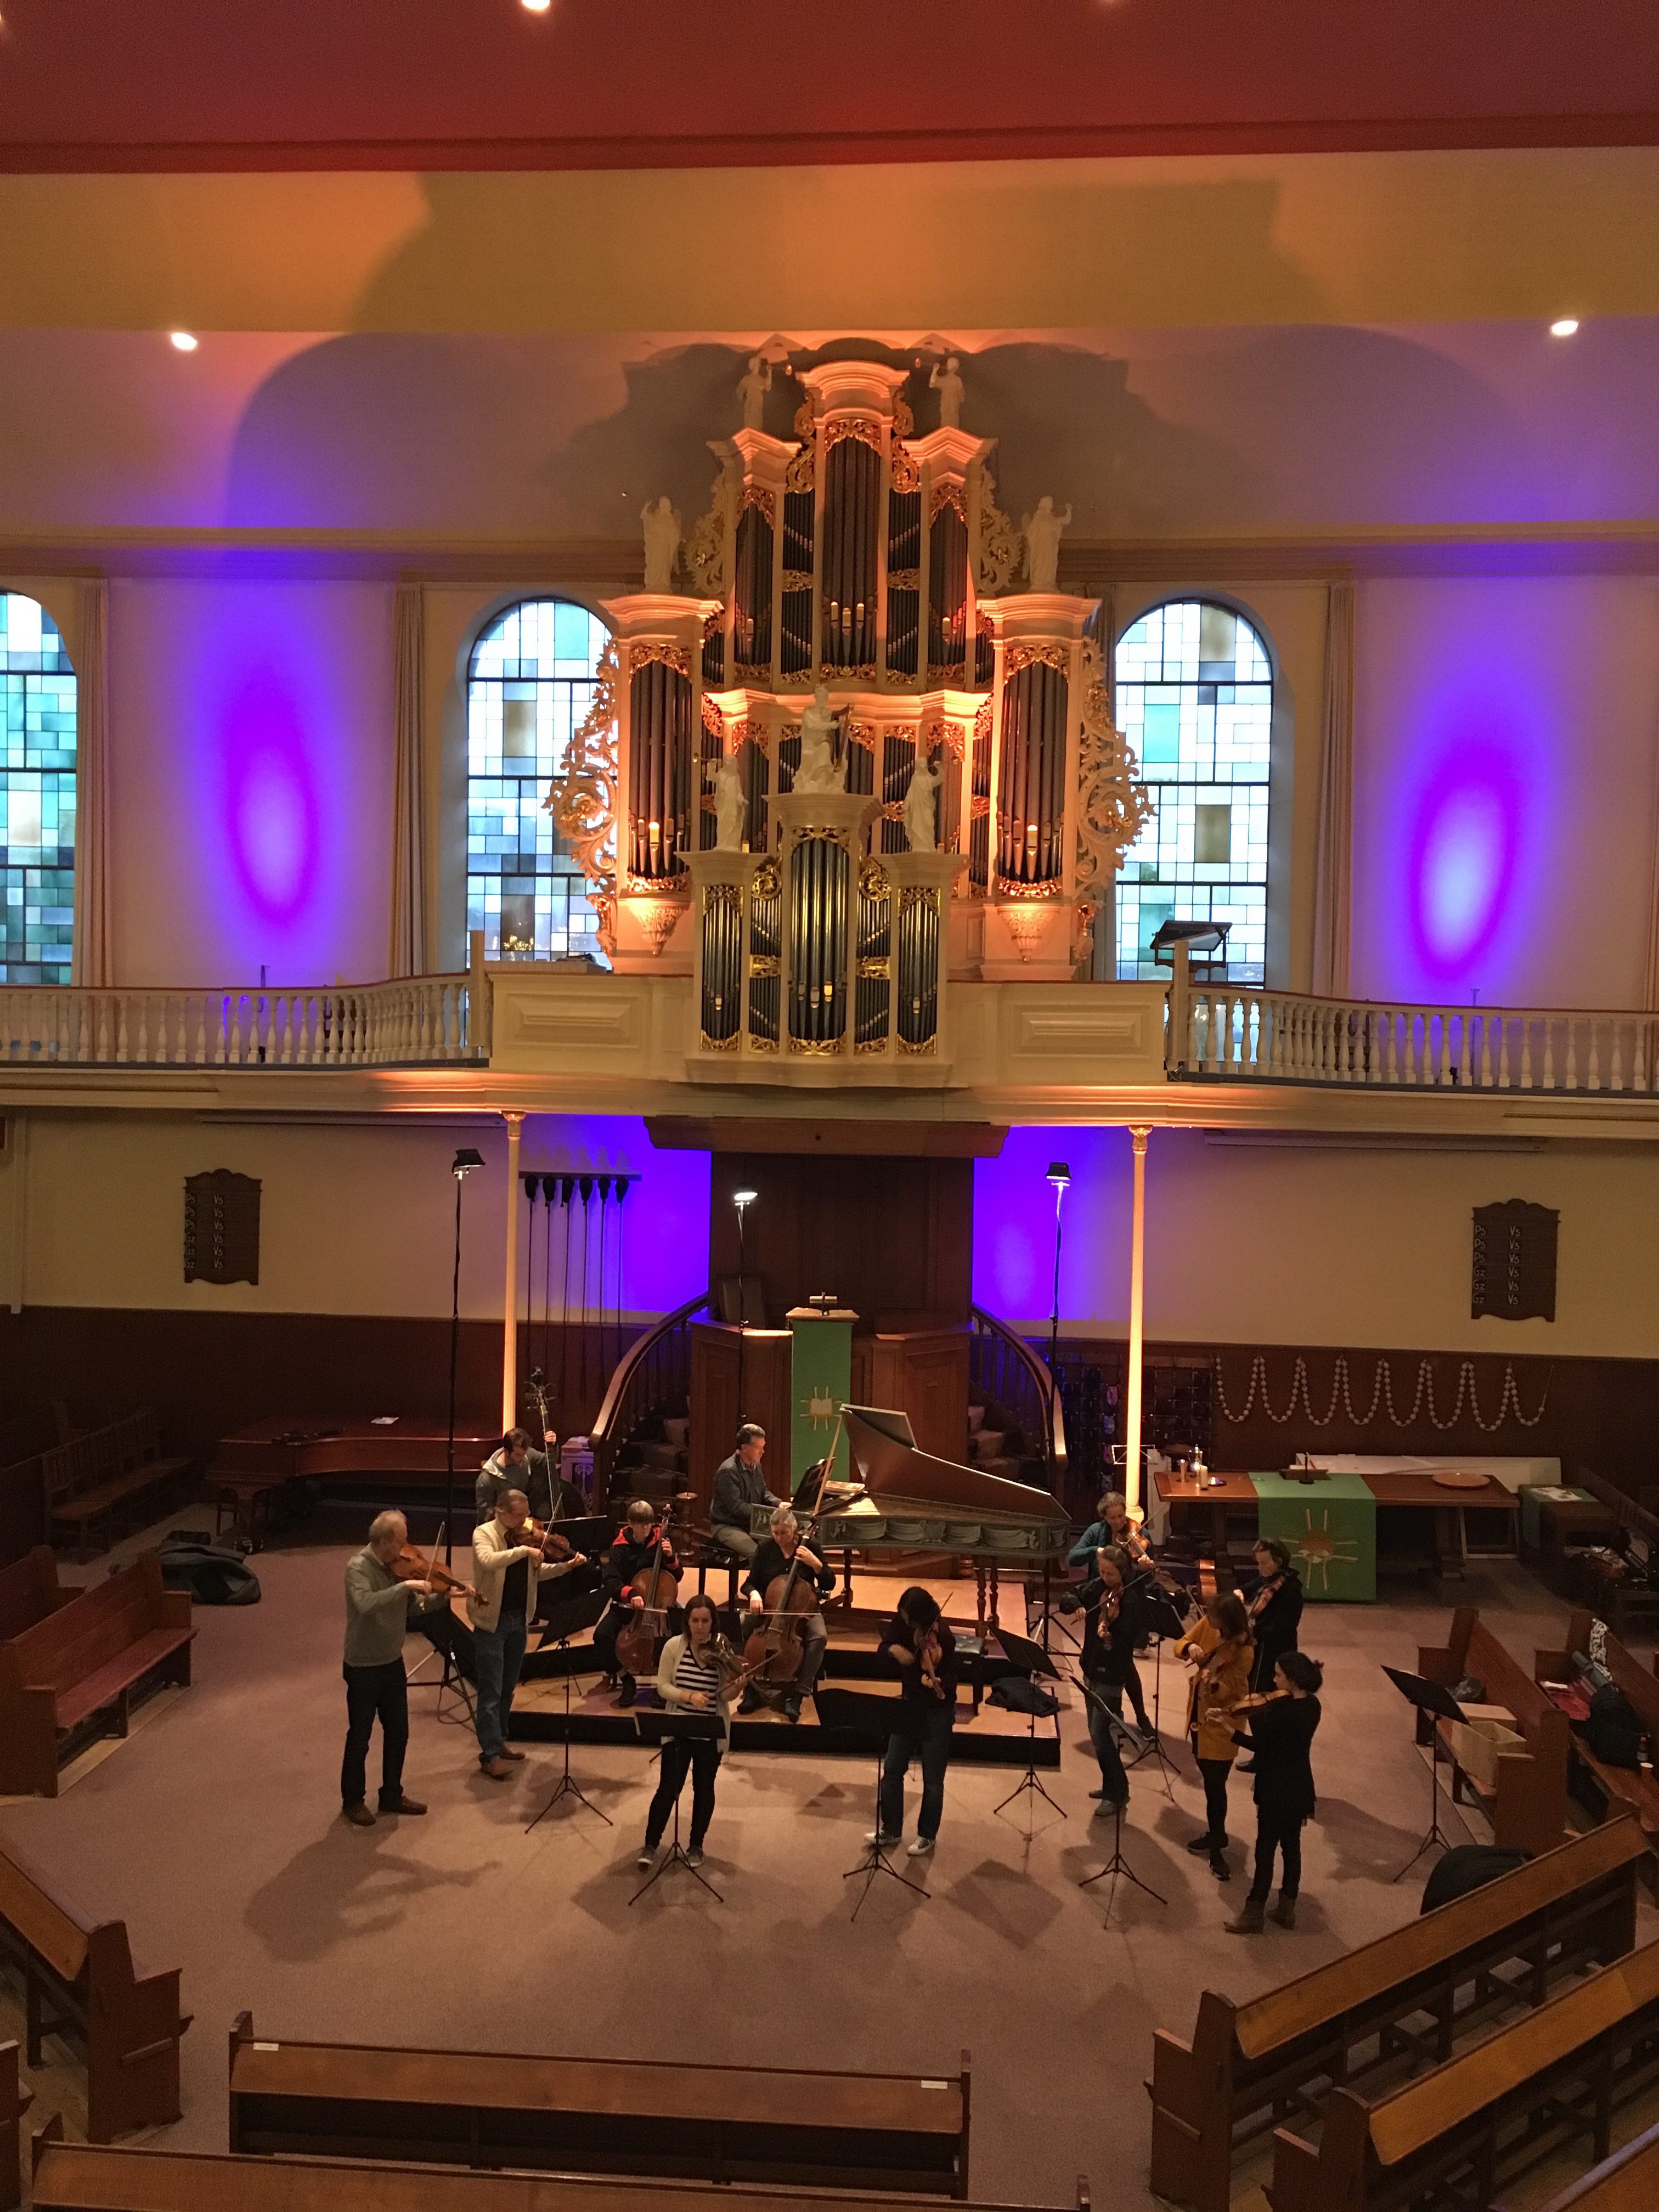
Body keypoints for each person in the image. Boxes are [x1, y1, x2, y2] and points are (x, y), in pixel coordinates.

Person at [341, 1509, 466, 1826]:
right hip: (364, 1665)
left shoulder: (394, 1568)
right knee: (361, 1735)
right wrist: (405, 1586)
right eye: (402, 1541)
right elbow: (366, 1605)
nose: (407, 1547)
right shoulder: (358, 1567)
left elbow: (412, 1608)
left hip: (391, 1661)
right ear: (385, 1541)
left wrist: (444, 1595)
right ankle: (352, 1800)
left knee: (399, 1732)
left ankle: (391, 1794)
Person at [1214, 1651, 1324, 1933]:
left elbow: (1261, 1746)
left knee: (1265, 1851)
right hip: (1299, 1785)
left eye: (1278, 1675)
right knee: (1291, 1847)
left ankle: (1253, 1913)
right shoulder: (1313, 1705)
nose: (1274, 1681)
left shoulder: (1282, 1712)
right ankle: (1287, 1910)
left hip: (1277, 1788)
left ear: (1292, 1680)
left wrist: (1230, 1729)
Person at [637, 1593, 736, 1871]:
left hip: (709, 1732)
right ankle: (651, 1844)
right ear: (687, 1621)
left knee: (704, 1790)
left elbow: (725, 1696)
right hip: (678, 1730)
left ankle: (696, 1844)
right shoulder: (674, 1647)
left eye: (706, 1621)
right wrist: (688, 1696)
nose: (701, 1627)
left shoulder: (721, 1650)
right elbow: (662, 1686)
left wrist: (739, 1684)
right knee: (669, 1788)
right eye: (696, 1620)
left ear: (713, 1623)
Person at [468, 1488, 552, 1780]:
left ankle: (500, 1741)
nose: (526, 1521)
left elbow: (536, 1573)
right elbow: (489, 1560)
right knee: (491, 1692)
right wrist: (524, 1551)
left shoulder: (522, 1537)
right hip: (492, 1623)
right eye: (520, 1515)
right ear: (502, 1512)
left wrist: (566, 1566)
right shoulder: (483, 1534)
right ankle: (489, 1754)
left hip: (519, 1620)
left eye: (527, 1514)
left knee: (508, 1687)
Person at [872, 1587, 957, 1858]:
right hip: (909, 1704)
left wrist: (937, 1682)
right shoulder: (902, 1624)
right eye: (904, 1617)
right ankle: (891, 1828)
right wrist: (893, 1649)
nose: (906, 1622)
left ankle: (927, 1835)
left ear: (922, 1616)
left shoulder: (944, 1636)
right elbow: (882, 1652)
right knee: (893, 1769)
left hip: (937, 1710)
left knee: (933, 1779)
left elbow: (952, 1681)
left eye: (910, 1618)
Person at [1176, 1592, 1254, 1879]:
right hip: (1199, 1717)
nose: (1209, 1620)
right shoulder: (1210, 1627)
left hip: (1222, 1725)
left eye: (1215, 1617)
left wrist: (1213, 1682)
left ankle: (1218, 1843)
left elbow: (1233, 1694)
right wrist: (1192, 1647)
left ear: (1228, 1622)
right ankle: (1216, 1834)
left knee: (1215, 1786)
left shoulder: (1244, 1652)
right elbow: (1180, 1644)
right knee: (1208, 1777)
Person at [741, 1505, 833, 1723]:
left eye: (784, 1533)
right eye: (775, 1533)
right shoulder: (765, 1548)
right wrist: (754, 1594)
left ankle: (799, 1693)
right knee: (743, 1624)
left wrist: (816, 1565)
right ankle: (750, 1686)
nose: (779, 1538)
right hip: (771, 1609)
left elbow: (829, 1583)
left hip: (802, 1611)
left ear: (794, 1530)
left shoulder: (810, 1547)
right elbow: (750, 1582)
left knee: (819, 1636)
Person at [1076, 1545, 1145, 1812]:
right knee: (1096, 1734)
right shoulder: (1098, 1588)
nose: (1105, 1578)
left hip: (1112, 1674)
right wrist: (1077, 1606)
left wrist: (1109, 1634)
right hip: (1091, 1668)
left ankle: (1118, 1793)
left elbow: (1130, 1640)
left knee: (1101, 1734)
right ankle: (1111, 1786)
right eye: (1103, 1572)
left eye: (1111, 1574)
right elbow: (1073, 1596)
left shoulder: (1131, 1601)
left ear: (1123, 1573)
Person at [593, 1499, 678, 1708]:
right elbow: (611, 1579)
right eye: (640, 1524)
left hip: (658, 1606)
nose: (645, 1528)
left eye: (648, 1523)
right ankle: (626, 1680)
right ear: (630, 1523)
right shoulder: (620, 1547)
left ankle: (666, 1684)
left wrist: (670, 1557)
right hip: (630, 1607)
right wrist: (630, 1594)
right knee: (602, 1636)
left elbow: (678, 1576)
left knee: (682, 1634)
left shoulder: (661, 1541)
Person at [710, 1424, 783, 1561]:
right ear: (744, 1448)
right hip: (727, 1526)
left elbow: (763, 1492)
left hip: (750, 1523)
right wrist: (769, 1514)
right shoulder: (728, 1471)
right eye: (758, 1448)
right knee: (757, 1554)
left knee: (782, 1543)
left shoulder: (756, 1465)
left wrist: (779, 1504)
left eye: (763, 1447)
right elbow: (736, 1507)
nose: (763, 1452)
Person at [1244, 1537, 1304, 1695]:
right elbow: (1251, 1587)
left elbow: (1283, 1628)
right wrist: (1239, 1593)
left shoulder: (1291, 1590)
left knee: (1270, 1691)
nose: (1260, 1568)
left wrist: (1251, 1632)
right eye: (1258, 1563)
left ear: (1278, 1561)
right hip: (1262, 1644)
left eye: (1264, 1563)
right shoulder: (1269, 1579)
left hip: (1277, 1650)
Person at [476, 1429, 574, 1525]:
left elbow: (548, 1463)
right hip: (501, 1524)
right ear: (506, 1452)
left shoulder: (526, 1456)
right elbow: (486, 1514)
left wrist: (552, 1445)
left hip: (521, 1517)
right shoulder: (487, 1478)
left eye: (524, 1454)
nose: (522, 1458)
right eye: (518, 1455)